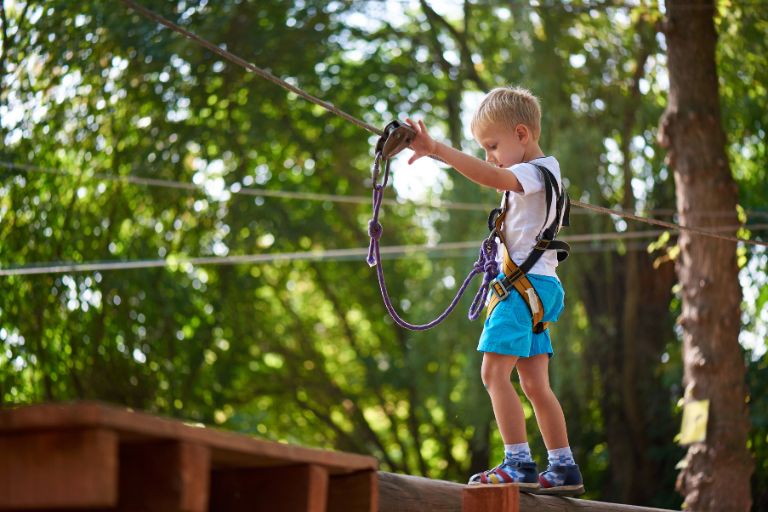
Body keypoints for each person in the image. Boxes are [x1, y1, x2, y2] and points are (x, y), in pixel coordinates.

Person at [405, 86, 584, 495]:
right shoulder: (547, 175)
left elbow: (492, 177)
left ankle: (517, 462)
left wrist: (437, 150)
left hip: (521, 291)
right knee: (535, 385)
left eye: (492, 145)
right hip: (540, 288)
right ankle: (563, 466)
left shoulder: (532, 173)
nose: (489, 156)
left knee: (492, 373)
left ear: (521, 134)